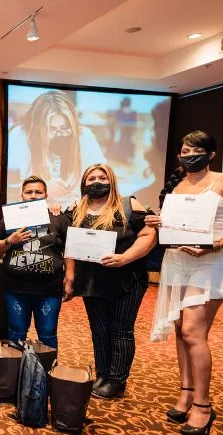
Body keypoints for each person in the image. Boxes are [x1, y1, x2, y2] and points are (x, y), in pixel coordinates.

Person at [145, 131, 223, 435]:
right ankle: (186, 393)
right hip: (177, 261)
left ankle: (203, 406)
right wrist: (158, 223)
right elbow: (174, 226)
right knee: (181, 330)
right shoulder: (176, 185)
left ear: (211, 155)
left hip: (211, 261)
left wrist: (215, 244)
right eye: (185, 150)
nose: (189, 154)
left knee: (194, 332)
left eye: (196, 150)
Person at [65, 163, 156, 399]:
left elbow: (149, 235)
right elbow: (69, 245)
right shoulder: (75, 209)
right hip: (92, 281)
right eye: (92, 178)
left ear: (112, 181)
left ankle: (117, 381)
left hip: (127, 279)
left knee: (121, 330)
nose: (97, 182)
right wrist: (70, 277)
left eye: (103, 178)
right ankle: (102, 375)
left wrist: (125, 258)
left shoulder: (129, 205)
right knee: (99, 330)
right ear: (84, 183)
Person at [0, 175, 71, 349]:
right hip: (16, 288)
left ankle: (47, 366)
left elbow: (69, 249)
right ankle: (15, 367)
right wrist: (10, 241)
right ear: (22, 195)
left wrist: (70, 278)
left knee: (48, 333)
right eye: (29, 192)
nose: (33, 195)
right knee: (16, 332)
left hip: (49, 289)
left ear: (46, 195)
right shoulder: (10, 218)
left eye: (38, 192)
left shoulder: (58, 217)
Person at [7, 89, 106, 205]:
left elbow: (104, 179)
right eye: (52, 129)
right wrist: (43, 190)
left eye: (65, 128)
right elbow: (11, 190)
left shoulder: (84, 135)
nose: (59, 135)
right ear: (37, 128)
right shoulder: (19, 136)